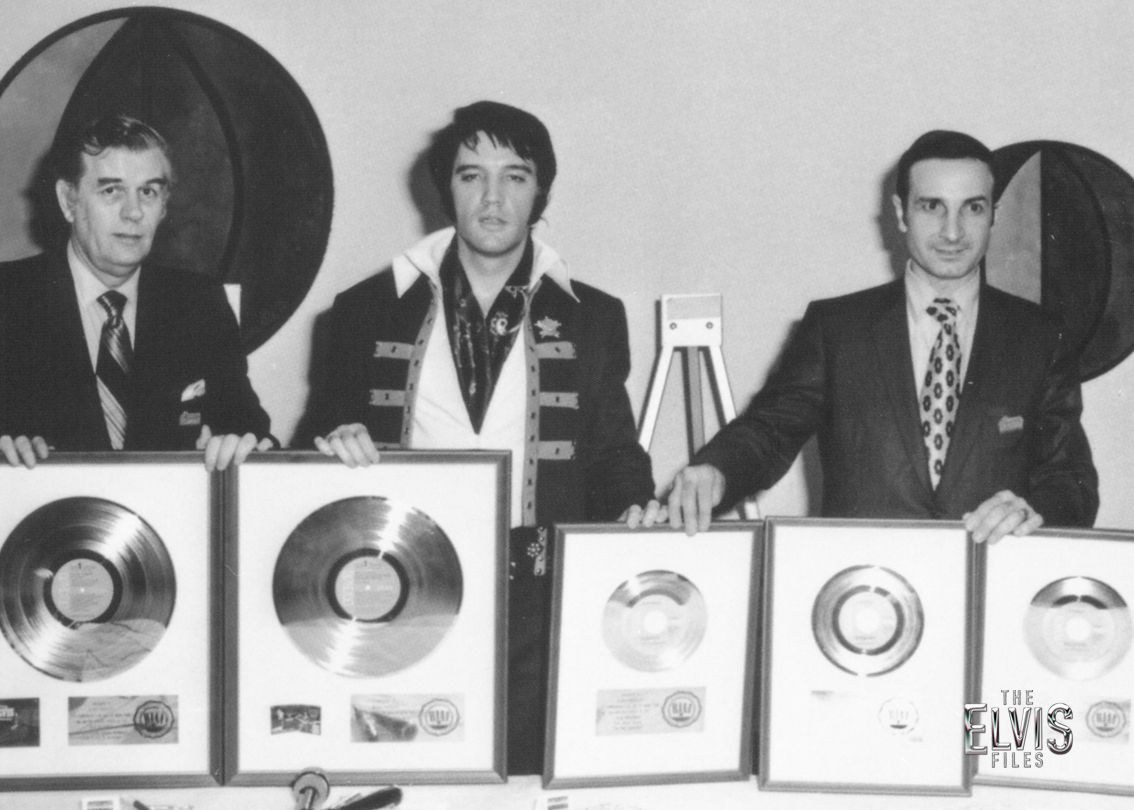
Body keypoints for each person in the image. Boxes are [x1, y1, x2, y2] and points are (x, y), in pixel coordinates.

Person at [308, 100, 656, 773]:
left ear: (539, 192)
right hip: (402, 590)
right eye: (472, 175)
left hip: (540, 594)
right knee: (408, 771)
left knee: (528, 770)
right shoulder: (365, 308)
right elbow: (316, 441)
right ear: (446, 188)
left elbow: (614, 455)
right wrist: (331, 442)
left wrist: (634, 513)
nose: (493, 198)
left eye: (515, 176)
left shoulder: (595, 317)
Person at [658, 130, 1097, 545]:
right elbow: (769, 432)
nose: (952, 231)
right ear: (901, 212)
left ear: (994, 214)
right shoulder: (836, 329)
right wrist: (716, 469)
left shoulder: (1040, 337)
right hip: (861, 596)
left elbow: (1071, 479)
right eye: (931, 206)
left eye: (973, 207)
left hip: (990, 587)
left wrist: (1034, 510)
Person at [0, 113, 272, 470]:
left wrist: (238, 445)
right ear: (68, 200)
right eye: (111, 190)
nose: (133, 212)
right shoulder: (8, 299)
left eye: (148, 191)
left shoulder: (200, 303)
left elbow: (251, 431)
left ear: (164, 206)